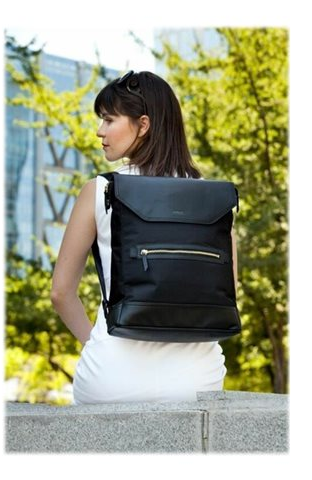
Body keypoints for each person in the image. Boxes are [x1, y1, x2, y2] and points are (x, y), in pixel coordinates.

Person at [50, 71, 238, 404]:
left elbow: (61, 293)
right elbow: (228, 290)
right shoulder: (217, 199)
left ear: (143, 124)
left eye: (109, 120)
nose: (100, 131)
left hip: (111, 378)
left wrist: (96, 344)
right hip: (198, 381)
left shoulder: (100, 191)